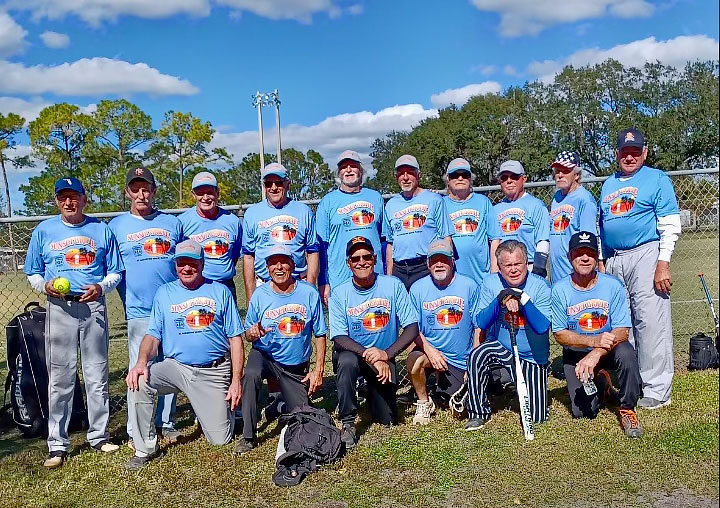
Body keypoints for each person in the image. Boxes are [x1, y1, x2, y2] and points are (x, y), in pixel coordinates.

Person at [24, 177, 125, 469]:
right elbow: (33, 272)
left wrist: (101, 287)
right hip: (60, 307)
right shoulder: (44, 230)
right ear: (57, 201)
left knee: (97, 374)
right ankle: (57, 444)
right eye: (63, 197)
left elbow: (115, 271)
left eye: (74, 196)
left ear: (84, 199)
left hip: (93, 306)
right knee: (61, 377)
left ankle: (99, 435)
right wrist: (45, 286)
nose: (68, 202)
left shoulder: (101, 229)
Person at [124, 240, 244, 471]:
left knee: (220, 440)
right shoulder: (164, 293)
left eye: (192, 263)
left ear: (202, 264)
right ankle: (145, 449)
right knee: (139, 380)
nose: (186, 268)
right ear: (175, 265)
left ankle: (228, 412)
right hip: (176, 367)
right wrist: (141, 362)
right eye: (181, 263)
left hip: (213, 371)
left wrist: (236, 381)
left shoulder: (220, 291)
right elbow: (153, 336)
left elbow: (236, 339)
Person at [599, 128, 681, 409]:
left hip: (646, 253)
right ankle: (633, 383)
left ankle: (657, 389)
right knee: (624, 323)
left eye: (635, 152)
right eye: (625, 152)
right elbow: (602, 227)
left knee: (650, 321)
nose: (630, 157)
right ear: (617, 154)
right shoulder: (609, 184)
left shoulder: (656, 179)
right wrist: (603, 261)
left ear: (645, 152)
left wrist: (663, 263)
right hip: (615, 258)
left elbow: (670, 224)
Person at [109, 167, 181, 447]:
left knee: (169, 365)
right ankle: (136, 428)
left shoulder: (172, 223)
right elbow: (113, 269)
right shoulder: (116, 227)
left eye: (146, 188)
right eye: (135, 188)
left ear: (154, 190)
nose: (141, 194)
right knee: (139, 369)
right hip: (138, 310)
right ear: (127, 192)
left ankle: (166, 422)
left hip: (170, 308)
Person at [235, 245, 328, 454]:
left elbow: (320, 334)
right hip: (264, 355)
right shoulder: (260, 295)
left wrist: (318, 370)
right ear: (267, 268)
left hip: (294, 365)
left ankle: (278, 405)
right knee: (250, 375)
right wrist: (253, 333)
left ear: (293, 265)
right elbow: (248, 335)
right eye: (273, 263)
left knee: (304, 417)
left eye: (284, 262)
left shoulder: (308, 293)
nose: (278, 267)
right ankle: (248, 436)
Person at [329, 236, 419, 448]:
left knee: (387, 419)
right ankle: (348, 422)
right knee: (347, 362)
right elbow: (339, 338)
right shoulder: (340, 293)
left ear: (375, 259)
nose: (362, 262)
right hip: (354, 354)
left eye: (366, 257)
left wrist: (386, 355)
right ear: (348, 263)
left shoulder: (393, 285)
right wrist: (371, 356)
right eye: (356, 258)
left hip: (383, 358)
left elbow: (412, 328)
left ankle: (368, 390)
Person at [551, 231, 643, 437]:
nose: (585, 258)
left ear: (596, 257)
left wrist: (596, 352)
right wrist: (592, 342)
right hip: (577, 353)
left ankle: (627, 408)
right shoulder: (559, 290)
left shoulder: (612, 285)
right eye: (579, 253)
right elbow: (559, 334)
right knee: (584, 412)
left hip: (609, 349)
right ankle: (603, 384)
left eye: (590, 253)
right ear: (570, 256)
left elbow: (622, 331)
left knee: (627, 353)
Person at [465, 240, 551, 431]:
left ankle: (520, 390)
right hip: (501, 347)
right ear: (499, 266)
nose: (513, 270)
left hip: (531, 356)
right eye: (508, 265)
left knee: (537, 417)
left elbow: (542, 327)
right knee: (477, 354)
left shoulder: (540, 286)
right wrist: (500, 299)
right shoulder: (490, 283)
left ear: (526, 262)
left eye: (518, 264)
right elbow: (481, 322)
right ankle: (478, 412)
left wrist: (522, 299)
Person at [407, 238, 480, 425]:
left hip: (460, 358)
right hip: (431, 352)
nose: (439, 264)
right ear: (427, 263)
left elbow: (479, 326)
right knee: (414, 359)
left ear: (452, 261)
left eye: (444, 259)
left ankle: (444, 388)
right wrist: (430, 351)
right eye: (434, 260)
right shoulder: (417, 289)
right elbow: (412, 328)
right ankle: (424, 402)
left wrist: (473, 362)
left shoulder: (469, 285)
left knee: (459, 410)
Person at [316, 150, 385, 305]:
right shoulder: (327, 202)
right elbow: (321, 247)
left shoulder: (376, 198)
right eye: (343, 167)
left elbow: (384, 240)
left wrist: (387, 273)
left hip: (374, 275)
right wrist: (323, 281)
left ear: (360, 170)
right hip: (340, 279)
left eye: (353, 166)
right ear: (339, 173)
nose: (348, 170)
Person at [242, 162, 319, 302]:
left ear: (288, 184)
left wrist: (310, 286)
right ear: (264, 186)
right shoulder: (252, 214)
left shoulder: (303, 211)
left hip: (297, 283)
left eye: (278, 183)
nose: (273, 188)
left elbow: (313, 251)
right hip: (264, 284)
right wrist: (250, 297)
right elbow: (248, 257)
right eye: (268, 184)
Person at [383, 154, 453, 290]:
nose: (405, 177)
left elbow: (446, 237)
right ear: (396, 177)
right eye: (401, 173)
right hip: (399, 269)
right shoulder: (390, 205)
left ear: (419, 175)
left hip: (425, 267)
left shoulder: (434, 200)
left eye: (410, 173)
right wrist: (390, 277)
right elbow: (390, 244)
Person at [178, 171, 243, 300]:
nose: (205, 197)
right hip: (195, 286)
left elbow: (234, 256)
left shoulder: (232, 221)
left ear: (217, 193)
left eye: (210, 192)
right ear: (193, 194)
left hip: (225, 285)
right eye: (200, 193)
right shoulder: (182, 222)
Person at [443, 158, 502, 285]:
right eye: (455, 175)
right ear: (448, 179)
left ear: (470, 179)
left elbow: (495, 239)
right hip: (452, 278)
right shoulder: (440, 204)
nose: (460, 178)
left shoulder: (483, 202)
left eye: (465, 175)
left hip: (481, 276)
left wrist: (493, 274)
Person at [492, 160, 551, 278]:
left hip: (528, 267)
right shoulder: (495, 209)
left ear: (524, 179)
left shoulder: (536, 205)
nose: (509, 181)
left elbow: (543, 240)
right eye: (504, 178)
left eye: (514, 176)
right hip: (503, 269)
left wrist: (538, 270)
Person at [549, 151, 598, 282]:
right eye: (557, 171)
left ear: (576, 175)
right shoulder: (557, 197)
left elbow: (588, 241)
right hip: (557, 272)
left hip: (575, 274)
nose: (560, 175)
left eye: (565, 171)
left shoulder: (584, 200)